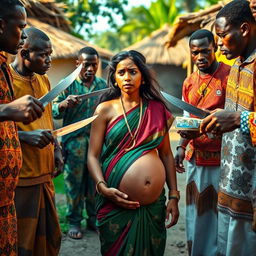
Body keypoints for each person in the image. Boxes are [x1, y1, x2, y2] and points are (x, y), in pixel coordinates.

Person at [87, 50, 179, 255]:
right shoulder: (104, 110)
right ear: (114, 78)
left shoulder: (157, 109)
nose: (127, 77)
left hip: (153, 206)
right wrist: (102, 188)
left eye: (133, 71)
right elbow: (92, 155)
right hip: (114, 200)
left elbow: (165, 154)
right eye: (121, 72)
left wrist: (174, 195)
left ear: (143, 77)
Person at [200, 0, 256, 255]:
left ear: (244, 29)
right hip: (230, 185)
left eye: (222, 36)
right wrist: (216, 121)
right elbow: (235, 114)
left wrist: (236, 120)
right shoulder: (237, 65)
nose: (219, 44)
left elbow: (240, 118)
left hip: (250, 194)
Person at [174, 29, 230, 256]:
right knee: (197, 214)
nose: (200, 57)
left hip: (223, 161)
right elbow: (188, 120)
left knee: (220, 215)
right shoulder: (189, 82)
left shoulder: (229, 77)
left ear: (214, 48)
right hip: (196, 160)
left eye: (205, 51)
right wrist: (180, 146)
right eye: (195, 52)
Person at [10, 27, 62, 256]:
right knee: (23, 243)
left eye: (50, 54)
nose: (49, 60)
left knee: (49, 239)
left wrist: (57, 150)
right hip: (21, 176)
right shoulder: (7, 82)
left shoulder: (44, 80)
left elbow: (48, 120)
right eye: (43, 55)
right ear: (24, 53)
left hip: (45, 172)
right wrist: (24, 137)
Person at [0, 1, 45, 255]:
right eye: (20, 27)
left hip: (6, 198)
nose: (24, 35)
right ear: (1, 25)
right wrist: (6, 110)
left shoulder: (3, 66)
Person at [52, 46, 107, 239]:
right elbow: (52, 110)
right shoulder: (68, 85)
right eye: (86, 65)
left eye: (94, 64)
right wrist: (63, 104)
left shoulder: (102, 86)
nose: (90, 69)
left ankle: (94, 220)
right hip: (73, 145)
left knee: (94, 184)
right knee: (73, 184)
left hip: (96, 145)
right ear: (78, 65)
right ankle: (74, 221)